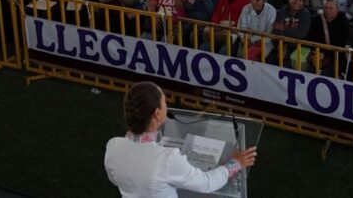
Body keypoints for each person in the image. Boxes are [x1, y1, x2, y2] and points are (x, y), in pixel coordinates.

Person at [104, 82, 257, 197]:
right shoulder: (167, 159)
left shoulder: (113, 146)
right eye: (165, 103)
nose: (167, 107)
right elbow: (206, 183)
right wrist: (235, 163)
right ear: (157, 113)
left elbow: (116, 179)